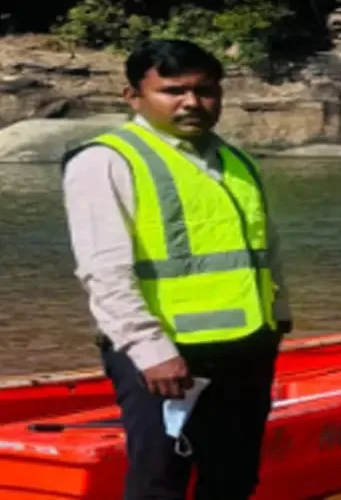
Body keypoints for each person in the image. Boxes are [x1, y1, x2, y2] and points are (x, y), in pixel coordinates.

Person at [61, 39, 292, 499]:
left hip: (244, 347)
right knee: (160, 481)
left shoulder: (234, 159)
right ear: (134, 97)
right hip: (167, 355)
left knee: (233, 477)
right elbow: (103, 270)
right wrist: (149, 350)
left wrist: (278, 318)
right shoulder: (107, 160)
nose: (192, 102)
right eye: (173, 90)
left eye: (205, 90)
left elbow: (264, 248)